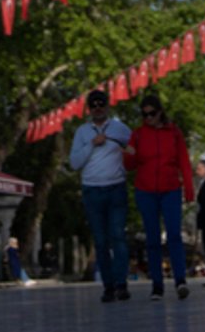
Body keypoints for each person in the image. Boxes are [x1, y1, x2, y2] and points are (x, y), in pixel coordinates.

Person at [122, 93, 194, 301]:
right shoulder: (137, 134)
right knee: (152, 239)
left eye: (152, 114)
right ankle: (157, 285)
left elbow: (184, 161)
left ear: (160, 112)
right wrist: (128, 153)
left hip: (170, 189)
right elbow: (129, 166)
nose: (148, 118)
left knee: (174, 235)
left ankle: (180, 280)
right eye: (144, 115)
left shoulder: (173, 133)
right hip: (145, 191)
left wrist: (188, 189)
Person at [66, 88, 132, 302]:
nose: (97, 108)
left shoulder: (120, 129)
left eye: (100, 104)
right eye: (93, 105)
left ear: (107, 105)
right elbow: (74, 163)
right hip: (92, 190)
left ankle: (121, 283)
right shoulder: (82, 132)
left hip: (116, 188)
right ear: (88, 109)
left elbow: (136, 150)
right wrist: (92, 145)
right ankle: (108, 286)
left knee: (118, 237)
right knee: (101, 241)